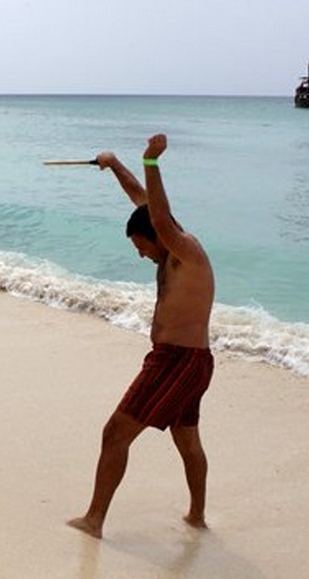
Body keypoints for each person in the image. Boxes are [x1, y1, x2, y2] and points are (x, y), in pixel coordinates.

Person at [68, 134, 216, 538]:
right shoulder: (167, 243)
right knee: (187, 440)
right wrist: (113, 163)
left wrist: (152, 162)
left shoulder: (185, 251)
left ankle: (94, 521)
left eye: (140, 246)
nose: (140, 254)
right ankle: (197, 517)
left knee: (115, 433)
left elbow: (161, 218)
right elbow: (144, 202)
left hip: (176, 361)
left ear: (158, 237)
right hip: (191, 362)